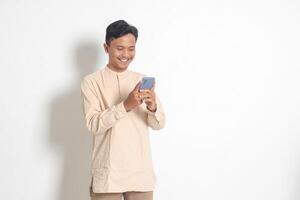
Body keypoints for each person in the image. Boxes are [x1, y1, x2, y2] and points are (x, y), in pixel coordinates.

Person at [80, 20, 166, 200]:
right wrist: (126, 105)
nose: (126, 54)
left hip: (140, 174)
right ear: (106, 47)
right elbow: (93, 124)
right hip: (108, 174)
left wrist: (152, 106)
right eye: (120, 48)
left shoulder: (140, 80)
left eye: (131, 48)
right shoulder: (91, 82)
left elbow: (159, 124)